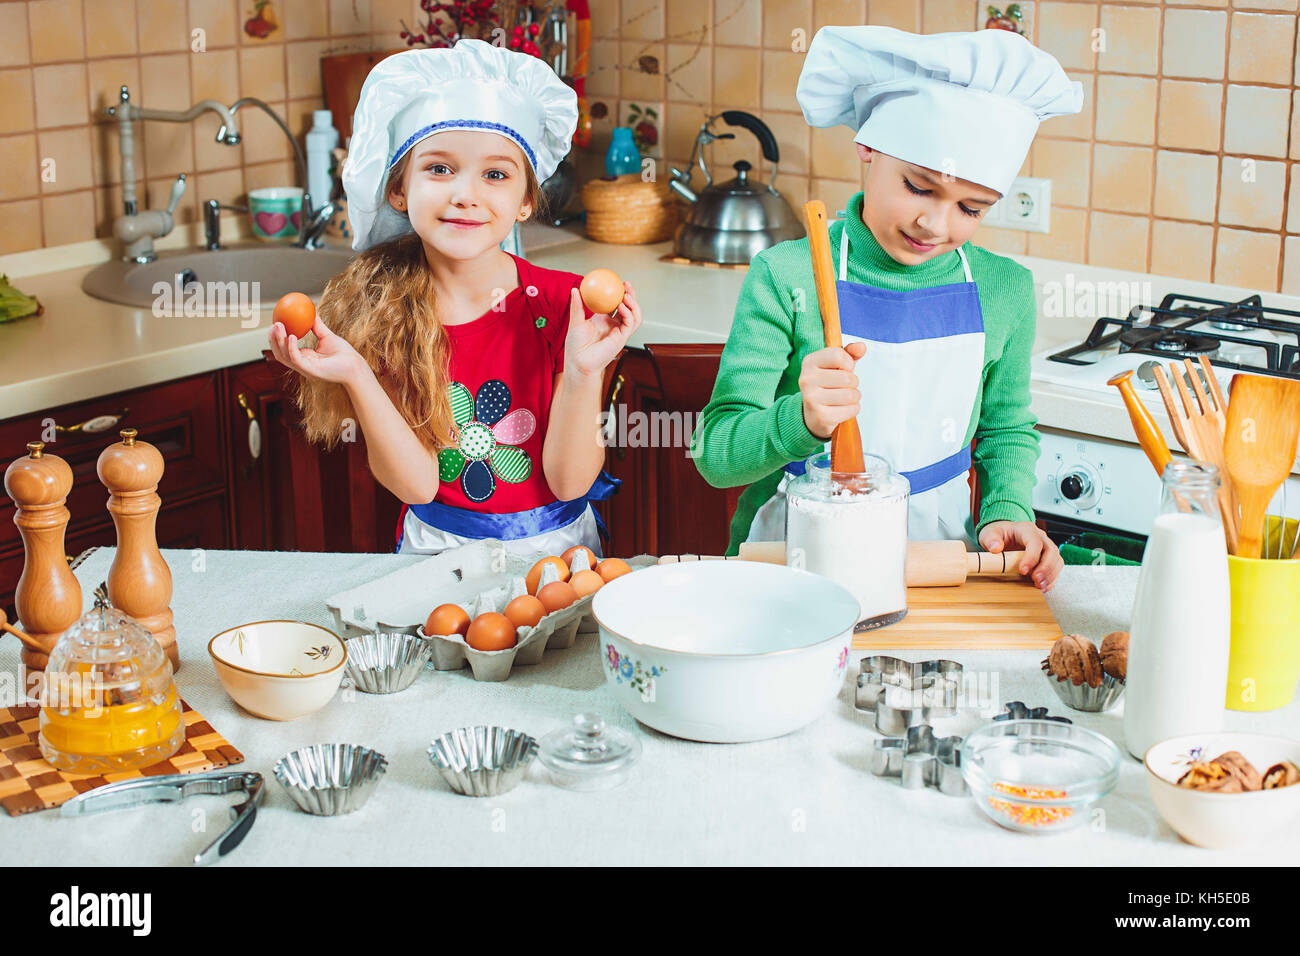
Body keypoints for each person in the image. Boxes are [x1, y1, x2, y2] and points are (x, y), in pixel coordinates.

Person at [693, 26, 1081, 591]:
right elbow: (716, 453)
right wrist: (800, 421)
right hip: (790, 563)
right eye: (919, 187)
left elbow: (1007, 430)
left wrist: (1008, 510)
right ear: (868, 149)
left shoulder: (1005, 291)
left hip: (936, 562)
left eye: (971, 208)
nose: (936, 224)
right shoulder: (787, 275)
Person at [268, 40, 639, 556]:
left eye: (495, 174)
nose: (466, 194)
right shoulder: (387, 312)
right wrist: (355, 373)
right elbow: (418, 487)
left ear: (526, 200)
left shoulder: (568, 306)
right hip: (435, 556)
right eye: (439, 169)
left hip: (558, 557)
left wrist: (582, 372)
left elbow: (570, 482)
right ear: (399, 190)